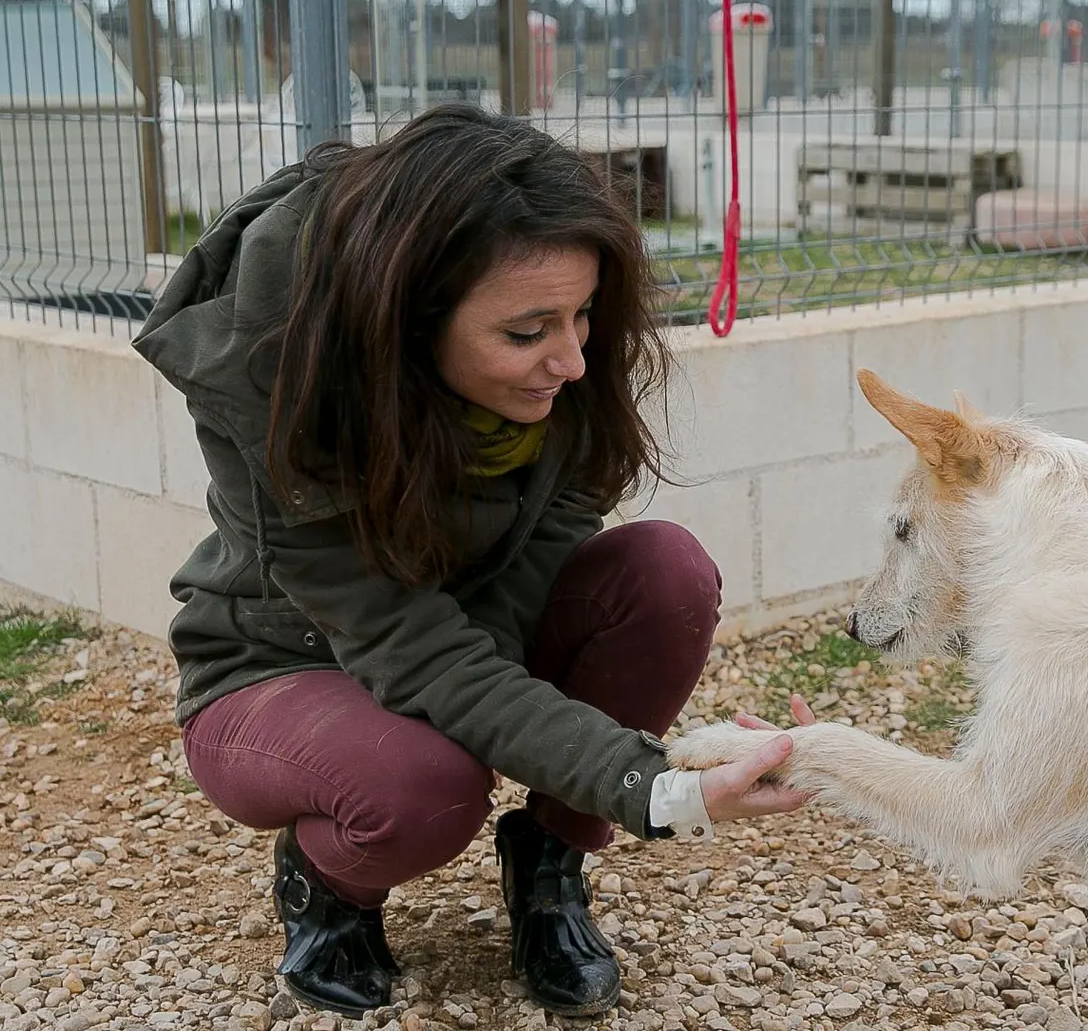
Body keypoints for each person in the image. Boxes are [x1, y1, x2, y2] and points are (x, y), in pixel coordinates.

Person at [132, 104, 811, 1020]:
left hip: (451, 635)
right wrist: (659, 789)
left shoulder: (567, 368)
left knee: (666, 573)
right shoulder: (273, 387)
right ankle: (327, 884)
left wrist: (593, 765)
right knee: (424, 785)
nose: (571, 360)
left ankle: (549, 860)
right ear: (408, 321)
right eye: (529, 332)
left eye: (583, 315)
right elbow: (410, 647)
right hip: (277, 662)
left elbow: (544, 550)